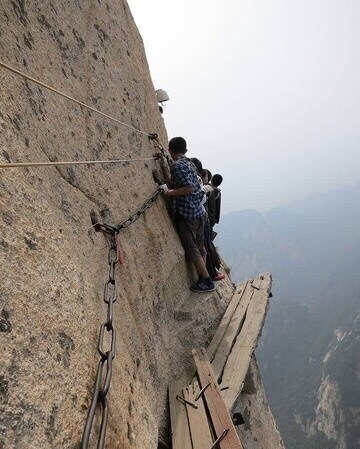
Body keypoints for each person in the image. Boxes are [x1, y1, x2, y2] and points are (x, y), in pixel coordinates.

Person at [163, 137, 215, 293]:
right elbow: (180, 181)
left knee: (192, 248)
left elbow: (189, 187)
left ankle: (206, 281)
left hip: (188, 214)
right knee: (201, 247)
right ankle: (203, 277)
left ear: (170, 150)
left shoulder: (177, 165)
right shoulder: (189, 163)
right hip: (199, 212)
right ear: (185, 151)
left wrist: (169, 193)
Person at [207, 174, 223, 240]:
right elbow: (217, 208)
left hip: (206, 215)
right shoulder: (218, 192)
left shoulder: (209, 190)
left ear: (211, 179)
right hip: (212, 218)